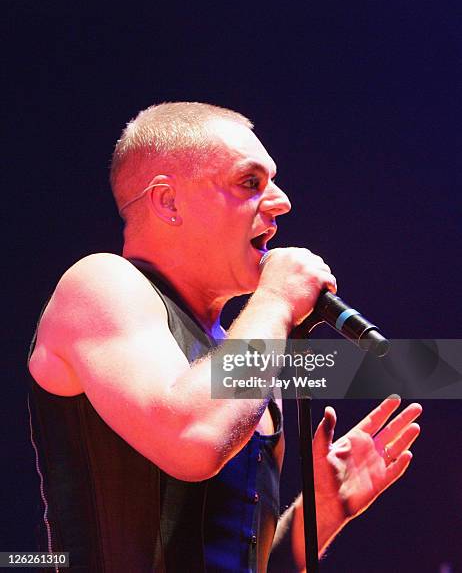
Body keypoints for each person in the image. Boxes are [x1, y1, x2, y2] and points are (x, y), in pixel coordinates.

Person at [28, 102, 422, 572]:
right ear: (168, 202)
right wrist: (276, 300)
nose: (281, 202)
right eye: (250, 182)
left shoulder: (244, 350)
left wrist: (322, 509)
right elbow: (193, 441)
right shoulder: (100, 284)